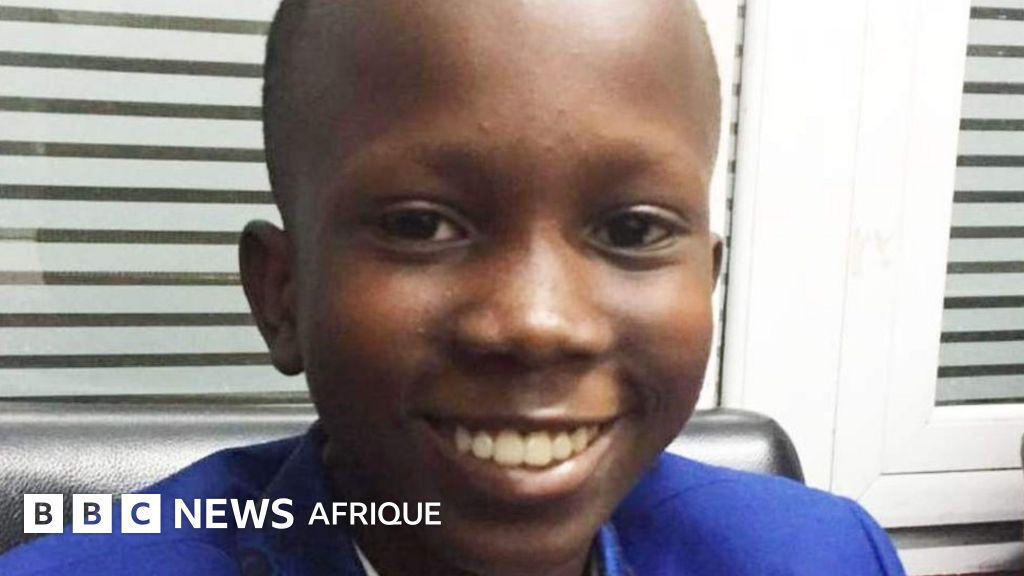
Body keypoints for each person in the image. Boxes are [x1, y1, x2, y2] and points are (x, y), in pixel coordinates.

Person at [0, 0, 906, 574]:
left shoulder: (820, 557)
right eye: (420, 226)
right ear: (281, 295)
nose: (538, 323)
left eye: (632, 231)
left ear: (707, 279)